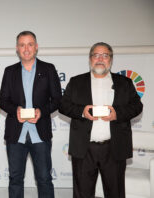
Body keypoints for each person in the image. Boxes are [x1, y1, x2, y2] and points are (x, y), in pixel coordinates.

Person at [59, 42, 143, 198]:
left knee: (115, 193)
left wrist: (117, 114)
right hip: (84, 149)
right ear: (90, 59)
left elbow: (137, 106)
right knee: (82, 194)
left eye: (105, 55)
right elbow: (63, 106)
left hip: (114, 148)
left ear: (111, 59)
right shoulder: (76, 82)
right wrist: (82, 112)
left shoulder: (124, 83)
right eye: (96, 55)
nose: (100, 59)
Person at [0, 31, 62, 198]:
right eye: (22, 44)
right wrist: (15, 110)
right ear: (17, 48)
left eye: (30, 44)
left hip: (40, 134)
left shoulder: (48, 69)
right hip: (16, 135)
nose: (26, 48)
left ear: (36, 47)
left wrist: (42, 111)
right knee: (15, 179)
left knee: (44, 179)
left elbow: (57, 100)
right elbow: (3, 101)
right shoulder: (9, 71)